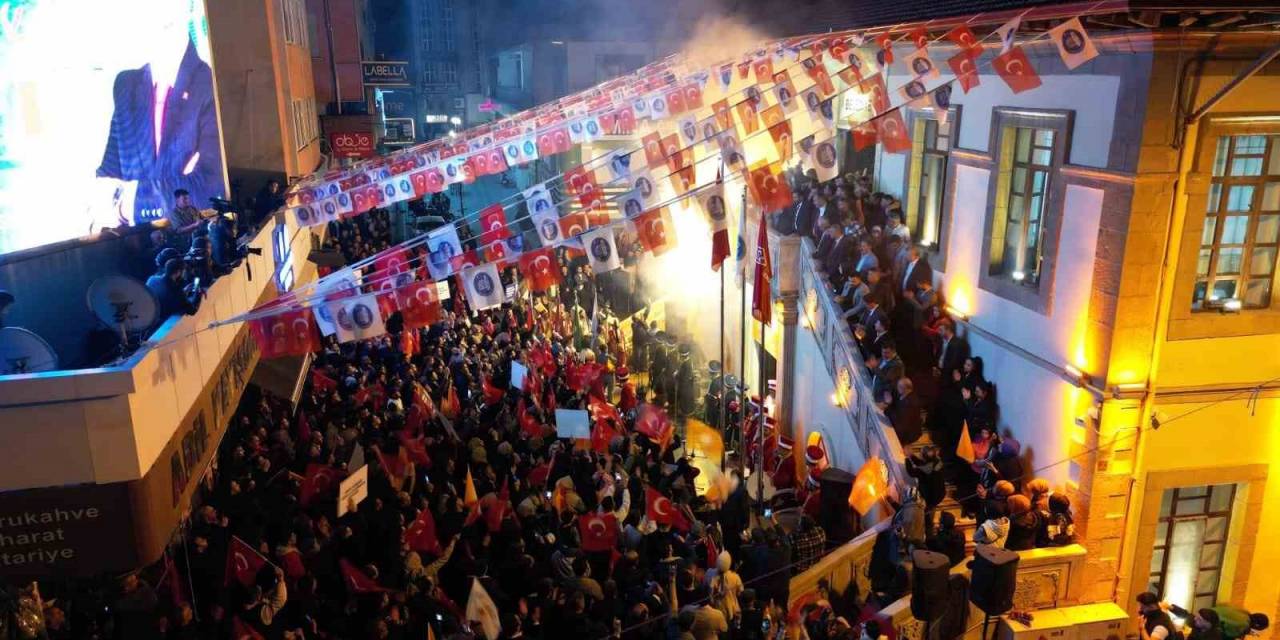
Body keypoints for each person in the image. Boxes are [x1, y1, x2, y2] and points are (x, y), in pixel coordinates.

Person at [96, 8, 224, 224]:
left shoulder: (212, 86)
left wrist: (129, 203)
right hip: (129, 250)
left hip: (191, 249)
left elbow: (212, 189)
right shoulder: (125, 84)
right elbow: (106, 179)